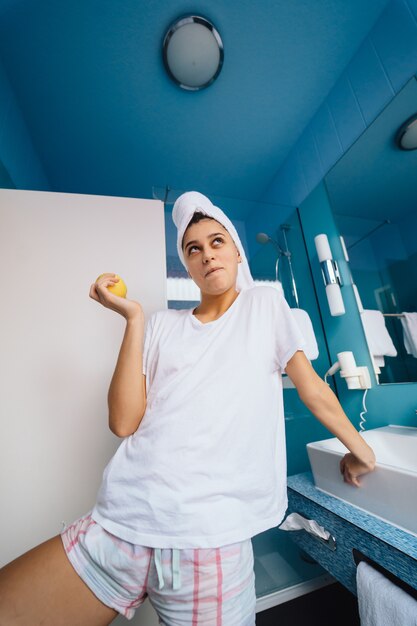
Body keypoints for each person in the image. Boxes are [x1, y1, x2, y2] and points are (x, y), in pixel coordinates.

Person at [0, 191, 376, 626]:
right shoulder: (161, 324)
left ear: (237, 251)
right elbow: (123, 422)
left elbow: (313, 390)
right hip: (122, 519)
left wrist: (360, 449)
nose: (207, 255)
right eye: (192, 249)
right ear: (186, 263)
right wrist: (134, 319)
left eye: (217, 242)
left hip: (207, 543)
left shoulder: (265, 306)